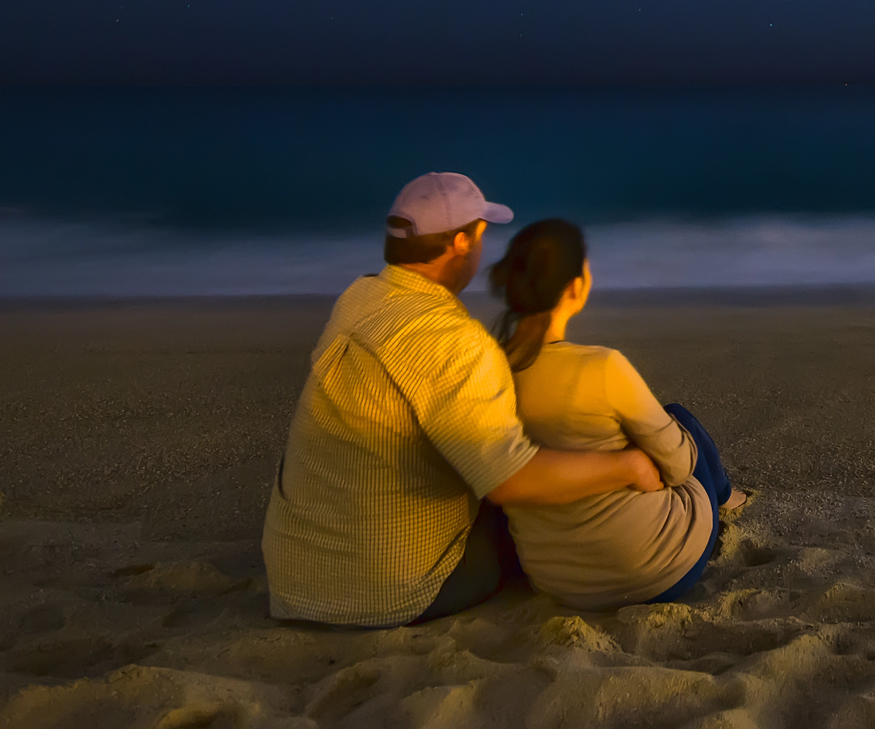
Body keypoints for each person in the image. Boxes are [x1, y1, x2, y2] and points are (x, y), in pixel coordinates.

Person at [262, 173, 664, 627]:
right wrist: (626, 467)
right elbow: (509, 481)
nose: (481, 247)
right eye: (479, 235)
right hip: (385, 591)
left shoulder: (358, 297)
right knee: (534, 510)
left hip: (294, 576)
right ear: (459, 243)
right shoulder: (456, 342)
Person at [490, 219, 748, 610]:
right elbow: (679, 468)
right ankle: (728, 497)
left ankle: (727, 496)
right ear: (576, 286)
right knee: (679, 420)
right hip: (660, 569)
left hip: (558, 582)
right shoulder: (603, 367)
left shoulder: (487, 376)